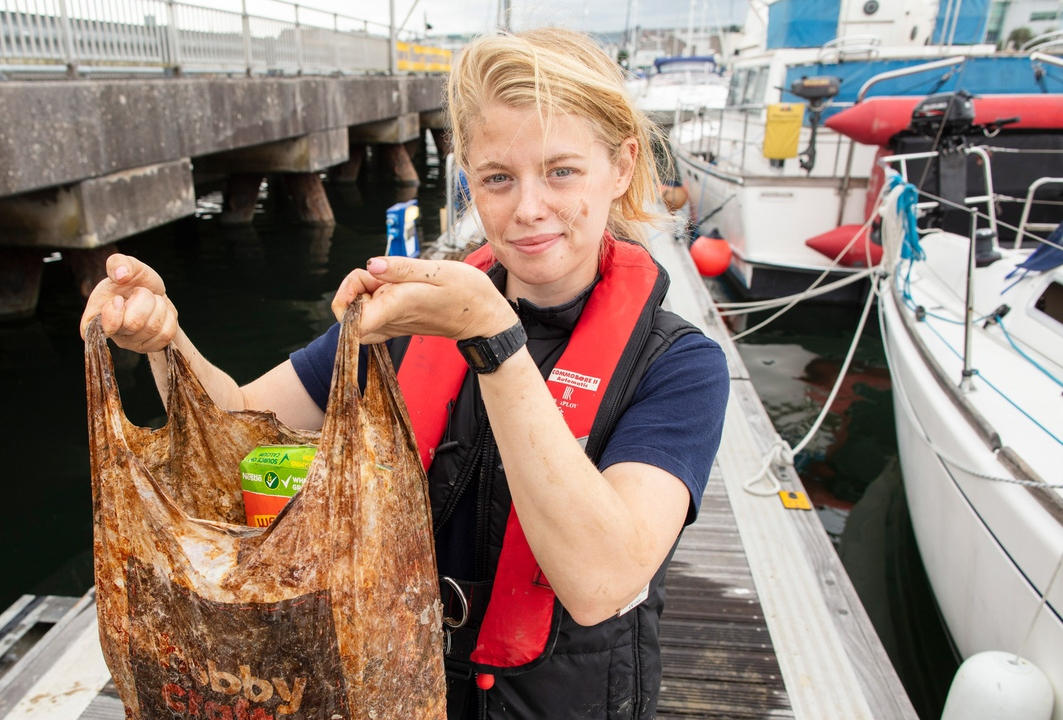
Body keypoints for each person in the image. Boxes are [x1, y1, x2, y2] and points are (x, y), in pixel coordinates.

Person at [80, 27, 728, 720]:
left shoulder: (681, 365)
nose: (529, 208)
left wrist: (494, 342)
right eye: (498, 179)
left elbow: (602, 581)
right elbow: (237, 422)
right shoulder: (407, 325)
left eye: (562, 171)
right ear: (468, 179)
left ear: (623, 166)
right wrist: (166, 341)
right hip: (397, 687)